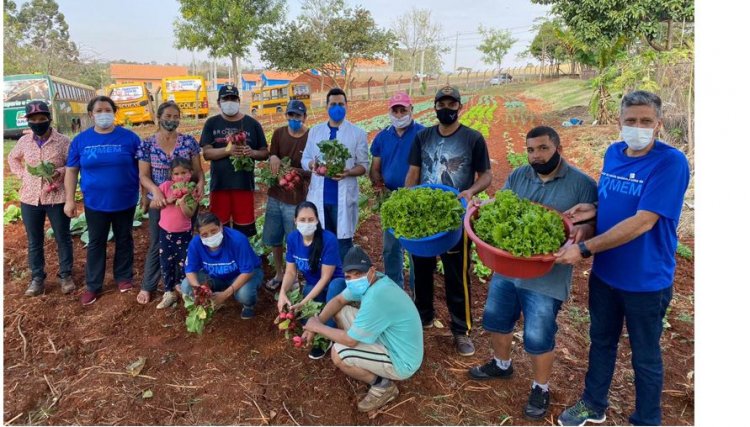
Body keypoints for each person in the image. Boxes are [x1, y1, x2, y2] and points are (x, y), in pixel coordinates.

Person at [555, 91, 690, 426]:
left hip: (646, 280)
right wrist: (594, 210)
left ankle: (647, 418)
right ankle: (593, 404)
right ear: (619, 122)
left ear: (658, 124)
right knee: (601, 342)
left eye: (646, 121)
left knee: (645, 355)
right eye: (631, 120)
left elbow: (644, 220)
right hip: (607, 274)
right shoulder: (614, 154)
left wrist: (584, 249)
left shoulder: (670, 162)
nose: (638, 127)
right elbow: (621, 203)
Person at [466, 126, 598, 419]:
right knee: (496, 319)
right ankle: (501, 365)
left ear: (558, 148)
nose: (535, 155)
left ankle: (541, 386)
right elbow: (501, 208)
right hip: (507, 269)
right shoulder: (518, 176)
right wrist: (480, 204)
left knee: (538, 335)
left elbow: (593, 224)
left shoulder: (582, 185)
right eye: (530, 150)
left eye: (542, 148)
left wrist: (584, 231)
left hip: (547, 278)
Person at [404, 85, 492, 356]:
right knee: (420, 269)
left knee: (456, 273)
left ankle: (461, 329)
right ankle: (424, 315)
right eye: (441, 104)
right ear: (434, 107)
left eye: (451, 105)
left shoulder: (473, 139)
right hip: (425, 217)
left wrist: (470, 192)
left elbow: (486, 175)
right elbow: (414, 172)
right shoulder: (422, 137)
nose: (446, 109)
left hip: (455, 215)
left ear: (459, 107)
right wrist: (407, 201)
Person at [302, 246, 423, 412]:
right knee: (341, 311)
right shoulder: (376, 280)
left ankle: (383, 387)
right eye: (349, 276)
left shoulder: (377, 297)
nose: (353, 279)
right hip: (392, 338)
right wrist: (318, 321)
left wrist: (317, 326)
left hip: (402, 360)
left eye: (358, 274)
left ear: (371, 271)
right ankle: (367, 357)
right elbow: (338, 300)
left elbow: (350, 341)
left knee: (339, 353)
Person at [64, 96, 141, 306]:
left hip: (125, 200)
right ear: (91, 114)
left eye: (107, 109)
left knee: (124, 238)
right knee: (96, 242)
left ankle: (124, 277)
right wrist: (69, 200)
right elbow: (71, 171)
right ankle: (93, 285)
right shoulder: (81, 141)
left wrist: (146, 194)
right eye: (98, 110)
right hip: (95, 202)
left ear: (114, 112)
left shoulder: (130, 138)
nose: (103, 114)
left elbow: (143, 168)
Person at [136, 101, 205, 305]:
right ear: (159, 117)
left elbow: (198, 171)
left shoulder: (189, 142)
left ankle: (182, 284)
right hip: (160, 202)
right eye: (168, 116)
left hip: (186, 199)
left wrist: (201, 184)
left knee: (184, 242)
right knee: (159, 243)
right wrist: (156, 192)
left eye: (176, 117)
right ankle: (149, 285)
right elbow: (143, 175)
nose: (172, 120)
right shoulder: (147, 144)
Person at [8, 101, 75, 296]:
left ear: (49, 119)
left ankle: (65, 275)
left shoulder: (63, 141)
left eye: (42, 119)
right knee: (34, 240)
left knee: (63, 237)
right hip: (30, 199)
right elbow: (13, 158)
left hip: (57, 196)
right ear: (28, 122)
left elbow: (72, 165)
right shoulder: (24, 142)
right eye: (34, 120)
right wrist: (23, 174)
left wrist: (59, 173)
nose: (38, 123)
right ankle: (37, 278)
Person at [302, 88, 369, 261]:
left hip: (343, 199)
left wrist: (348, 172)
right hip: (319, 198)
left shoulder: (358, 133)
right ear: (326, 106)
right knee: (321, 242)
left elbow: (363, 166)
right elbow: (305, 158)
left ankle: (342, 281)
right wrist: (312, 164)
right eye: (333, 104)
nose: (337, 108)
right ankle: (323, 281)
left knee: (343, 244)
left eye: (340, 104)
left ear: (347, 106)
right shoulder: (315, 132)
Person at [369, 91, 425, 294]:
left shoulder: (423, 134)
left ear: (412, 110)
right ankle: (395, 291)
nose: (400, 114)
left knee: (416, 249)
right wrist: (379, 186)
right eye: (396, 110)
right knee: (391, 248)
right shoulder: (382, 136)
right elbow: (375, 167)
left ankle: (419, 293)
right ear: (390, 112)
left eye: (404, 110)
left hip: (416, 199)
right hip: (391, 199)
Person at [276, 201, 347, 360]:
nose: (306, 223)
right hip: (313, 284)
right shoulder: (293, 238)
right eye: (302, 220)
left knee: (330, 294)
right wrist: (282, 293)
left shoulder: (329, 239)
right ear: (295, 221)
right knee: (308, 296)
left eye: (310, 219)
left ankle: (325, 336)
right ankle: (316, 328)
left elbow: (325, 278)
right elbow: (290, 271)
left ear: (317, 220)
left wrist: (304, 301)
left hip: (334, 282)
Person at [199, 84, 268, 237]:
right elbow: (207, 153)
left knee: (243, 230)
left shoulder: (252, 124)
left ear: (238, 100)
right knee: (218, 228)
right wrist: (227, 150)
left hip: (243, 185)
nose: (230, 101)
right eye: (226, 98)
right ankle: (222, 259)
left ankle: (241, 258)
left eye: (233, 98)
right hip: (219, 185)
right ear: (219, 102)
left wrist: (252, 152)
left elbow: (264, 153)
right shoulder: (211, 123)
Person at [262, 100, 311, 291]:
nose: (294, 119)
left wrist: (295, 172)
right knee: (275, 238)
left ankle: (295, 277)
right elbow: (272, 154)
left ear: (304, 117)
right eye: (291, 115)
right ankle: (280, 273)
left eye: (298, 116)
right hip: (275, 194)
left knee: (294, 238)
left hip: (296, 198)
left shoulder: (310, 137)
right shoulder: (278, 134)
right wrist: (272, 157)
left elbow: (311, 168)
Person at [181, 212, 264, 319]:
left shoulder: (238, 240)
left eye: (213, 231)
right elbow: (190, 270)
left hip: (241, 275)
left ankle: (248, 305)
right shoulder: (195, 243)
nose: (210, 237)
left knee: (245, 295)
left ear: (221, 226)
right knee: (187, 285)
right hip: (214, 276)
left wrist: (224, 295)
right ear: (199, 235)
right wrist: (199, 290)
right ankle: (211, 297)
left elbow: (247, 272)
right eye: (204, 235)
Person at [151, 158, 199, 309]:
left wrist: (183, 200)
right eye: (176, 174)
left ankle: (184, 290)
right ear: (171, 176)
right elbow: (153, 204)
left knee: (183, 262)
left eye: (184, 173)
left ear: (190, 174)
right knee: (166, 262)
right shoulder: (165, 187)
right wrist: (168, 200)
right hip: (165, 233)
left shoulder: (193, 191)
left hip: (184, 234)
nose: (180, 177)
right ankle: (168, 292)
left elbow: (190, 214)